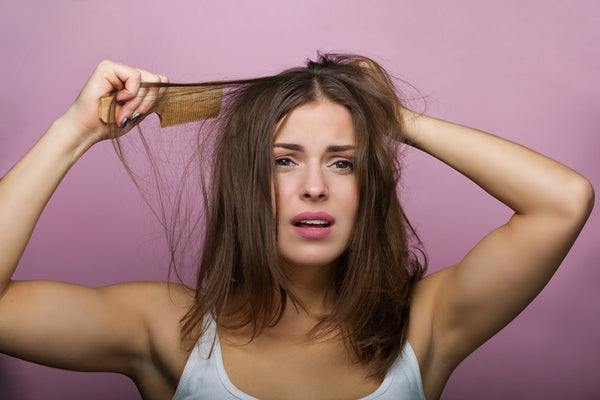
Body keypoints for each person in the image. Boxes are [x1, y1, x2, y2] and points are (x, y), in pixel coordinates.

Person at [0, 54, 594, 400]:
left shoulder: (427, 322)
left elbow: (564, 201)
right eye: (284, 160)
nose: (315, 185)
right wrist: (73, 132)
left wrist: (400, 120)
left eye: (343, 161)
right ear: (246, 183)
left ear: (369, 188)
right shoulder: (164, 328)